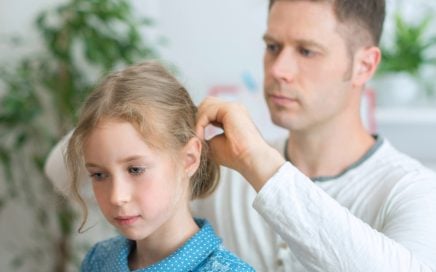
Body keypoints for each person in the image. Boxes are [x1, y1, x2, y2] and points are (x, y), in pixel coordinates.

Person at [44, 0, 436, 271]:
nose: (278, 68)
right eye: (272, 46)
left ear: (365, 64)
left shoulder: (411, 190)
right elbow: (61, 171)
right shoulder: (221, 160)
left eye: (307, 51)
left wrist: (260, 163)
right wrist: (162, 116)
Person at [63, 61, 254, 271]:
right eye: (99, 174)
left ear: (188, 159)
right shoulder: (98, 260)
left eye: (135, 170)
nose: (117, 197)